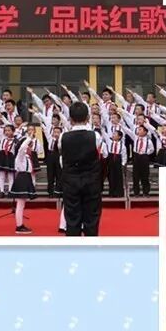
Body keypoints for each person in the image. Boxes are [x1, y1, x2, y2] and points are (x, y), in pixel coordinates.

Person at [59, 101, 105, 237]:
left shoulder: (63, 137)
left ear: (70, 119)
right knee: (92, 217)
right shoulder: (95, 136)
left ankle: (74, 245)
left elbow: (62, 155)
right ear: (88, 118)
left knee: (72, 217)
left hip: (70, 181)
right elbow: (98, 154)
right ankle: (91, 245)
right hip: (91, 180)